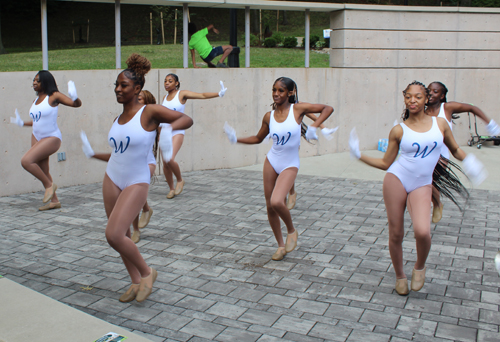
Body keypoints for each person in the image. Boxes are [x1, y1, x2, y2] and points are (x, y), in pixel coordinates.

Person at [349, 80, 486, 295]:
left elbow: (455, 149)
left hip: (422, 184)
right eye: (408, 96)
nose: (413, 100)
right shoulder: (398, 130)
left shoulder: (439, 124)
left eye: (418, 97)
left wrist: (470, 162)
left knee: (423, 232)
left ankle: (419, 266)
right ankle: (400, 276)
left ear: (426, 99)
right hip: (396, 180)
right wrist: (359, 155)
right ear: (404, 99)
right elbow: (386, 163)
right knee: (396, 234)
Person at [80, 54, 193, 303]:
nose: (118, 89)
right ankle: (134, 280)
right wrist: (93, 154)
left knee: (113, 234)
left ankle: (146, 272)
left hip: (136, 179)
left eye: (124, 85)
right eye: (117, 85)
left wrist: (166, 130)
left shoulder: (149, 111)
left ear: (137, 89)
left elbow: (187, 119)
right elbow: (118, 153)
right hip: (112, 177)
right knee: (119, 237)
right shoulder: (117, 119)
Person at [224, 77, 333, 261]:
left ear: (290, 93)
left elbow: (327, 108)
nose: (276, 94)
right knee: (270, 206)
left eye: (281, 90)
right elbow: (258, 138)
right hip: (272, 161)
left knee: (277, 201)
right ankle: (280, 245)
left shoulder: (297, 109)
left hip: (290, 163)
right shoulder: (269, 116)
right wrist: (237, 139)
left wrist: (314, 126)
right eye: (274, 90)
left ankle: (292, 231)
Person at [426, 81, 500, 223]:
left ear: (442, 96)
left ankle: (436, 204)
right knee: (424, 183)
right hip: (425, 153)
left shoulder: (447, 108)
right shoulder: (423, 111)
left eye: (435, 91)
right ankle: (435, 204)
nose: (431, 94)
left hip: (442, 155)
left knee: (430, 181)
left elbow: (472, 108)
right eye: (429, 90)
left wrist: (490, 124)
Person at [10, 71, 82, 210]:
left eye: (38, 80)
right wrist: (22, 123)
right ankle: (54, 201)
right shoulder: (35, 100)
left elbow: (76, 104)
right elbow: (37, 121)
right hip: (36, 136)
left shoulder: (54, 96)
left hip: (51, 137)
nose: (34, 83)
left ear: (46, 82)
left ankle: (49, 186)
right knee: (43, 169)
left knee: (26, 161)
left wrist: (75, 97)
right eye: (33, 80)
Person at [160, 73, 227, 199]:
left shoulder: (182, 94)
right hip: (165, 131)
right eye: (165, 81)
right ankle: (171, 188)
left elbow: (201, 95)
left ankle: (180, 180)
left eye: (170, 81)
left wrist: (218, 94)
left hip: (177, 131)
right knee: (165, 163)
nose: (167, 83)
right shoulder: (164, 98)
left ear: (176, 83)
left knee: (169, 158)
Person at [286, 113, 338, 210]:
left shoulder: (296, 104)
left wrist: (323, 127)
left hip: (292, 137)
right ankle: (284, 192)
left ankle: (291, 192)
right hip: (280, 137)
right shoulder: (277, 103)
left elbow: (313, 116)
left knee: (288, 164)